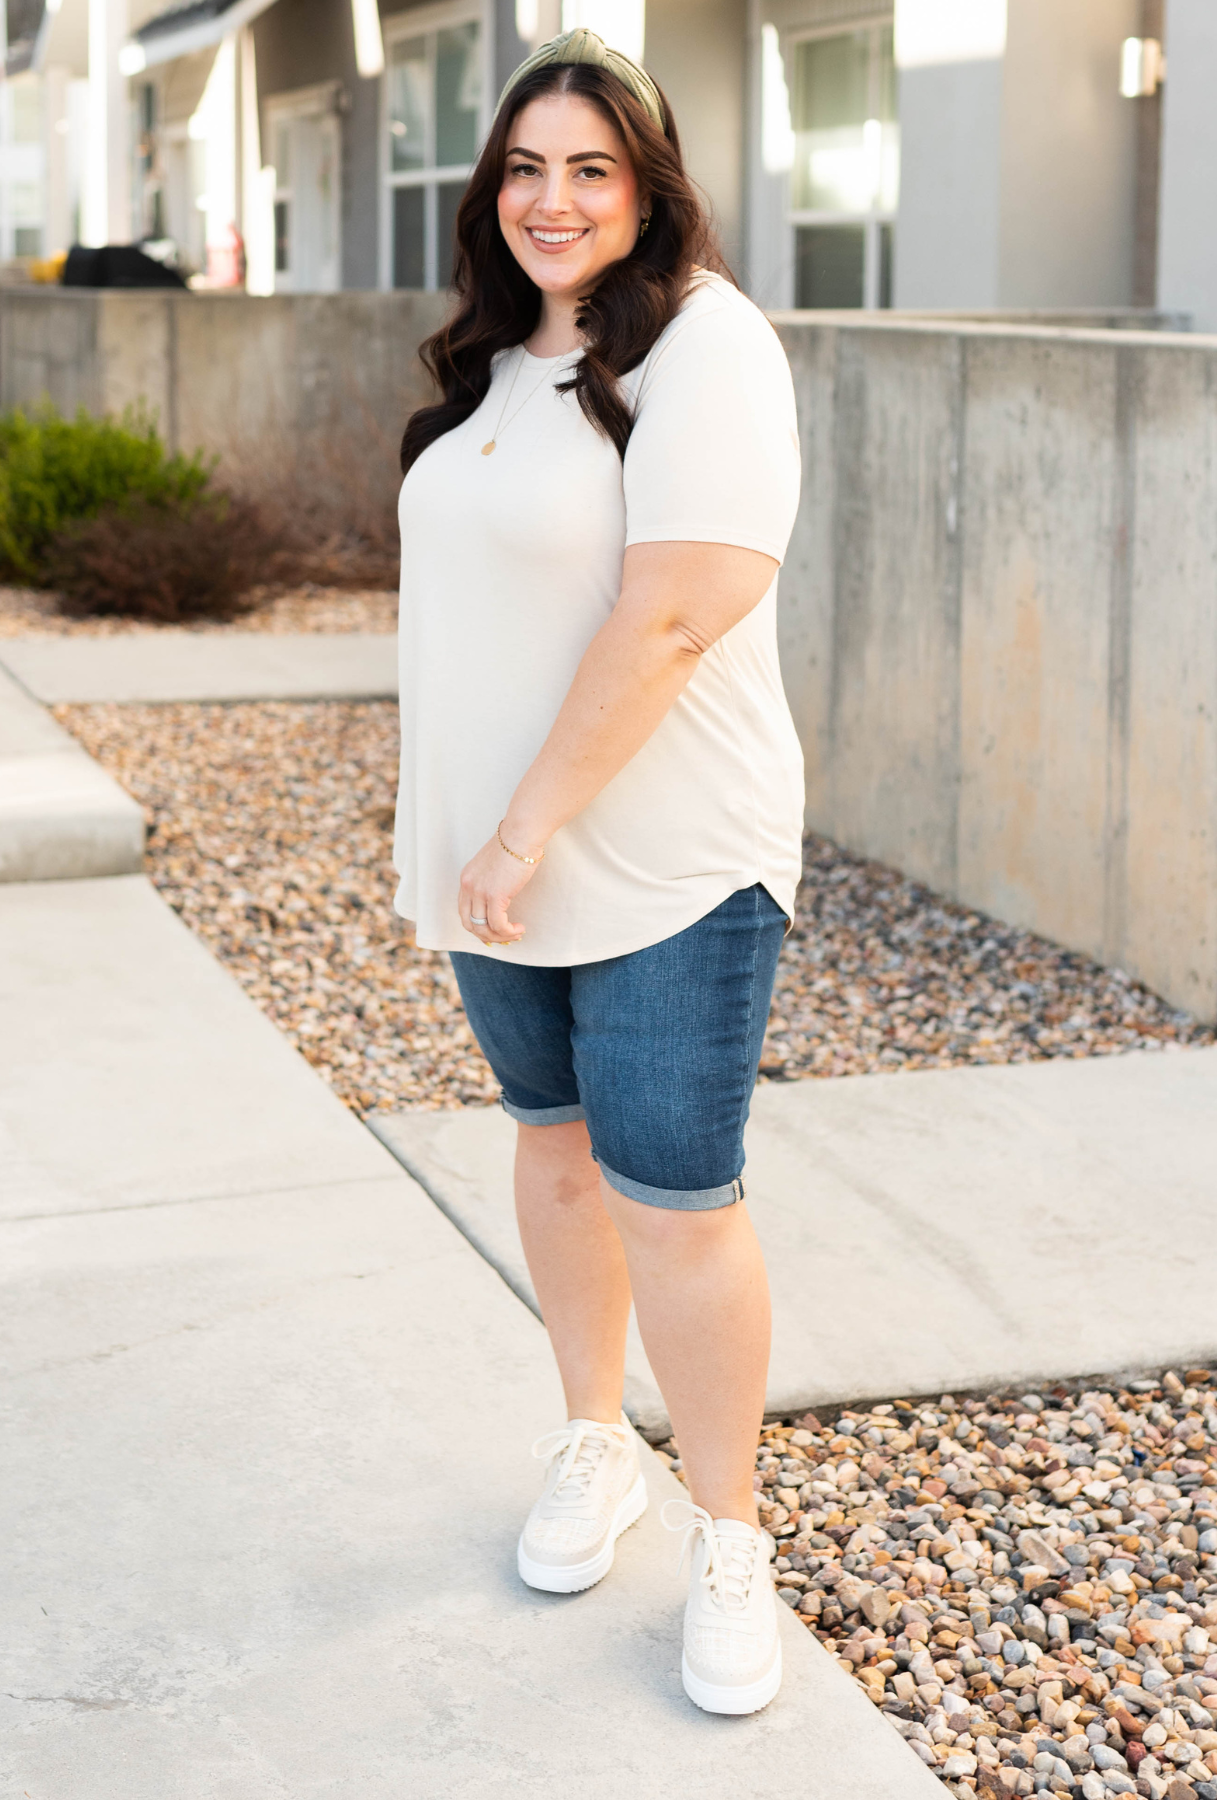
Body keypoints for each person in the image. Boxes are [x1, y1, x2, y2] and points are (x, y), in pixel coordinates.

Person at [394, 28, 803, 1716]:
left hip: (658, 856)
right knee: (552, 1154)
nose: (550, 200)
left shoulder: (707, 342)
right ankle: (592, 1444)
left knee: (673, 1197)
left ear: (647, 189)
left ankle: (729, 1535)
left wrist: (520, 823)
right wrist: (458, 829)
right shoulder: (495, 360)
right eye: (523, 168)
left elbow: (679, 611)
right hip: (505, 862)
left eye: (589, 169)